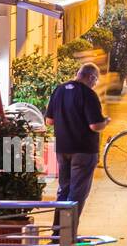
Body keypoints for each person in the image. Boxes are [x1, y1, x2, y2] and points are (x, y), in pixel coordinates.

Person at [44, 64, 108, 224]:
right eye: (96, 80)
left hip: (62, 149)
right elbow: (95, 125)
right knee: (77, 193)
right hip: (83, 150)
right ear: (91, 77)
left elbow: (49, 121)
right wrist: (105, 122)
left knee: (63, 189)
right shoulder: (88, 94)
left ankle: (57, 232)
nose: (95, 84)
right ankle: (68, 235)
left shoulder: (59, 90)